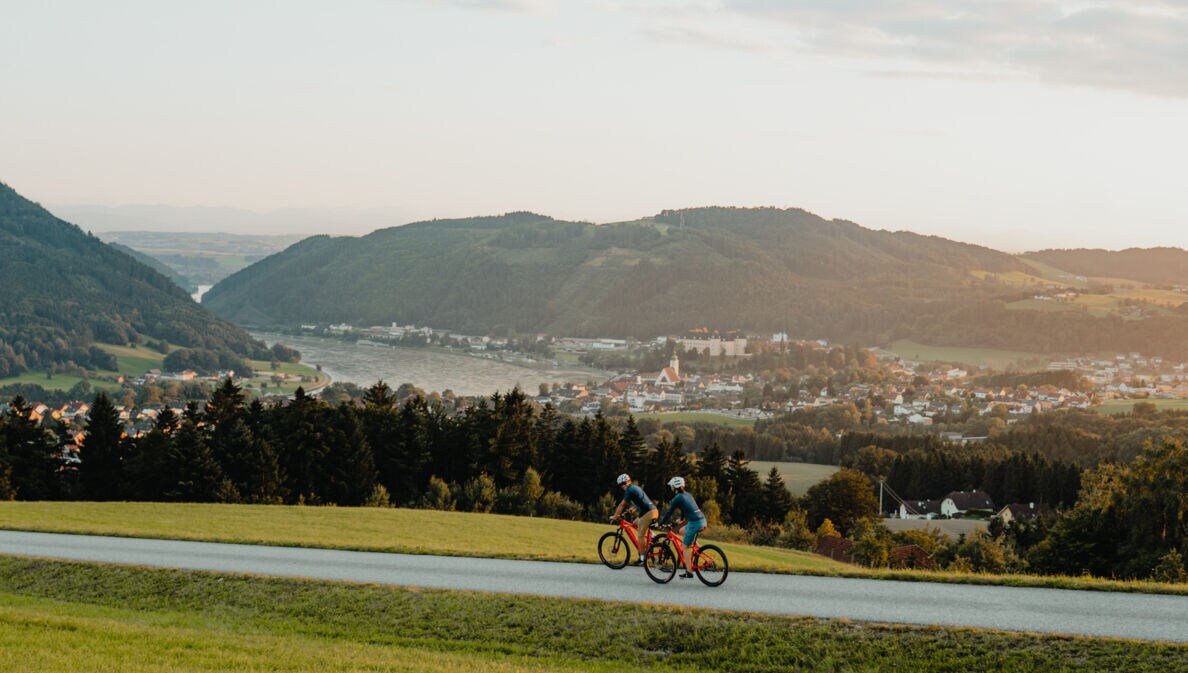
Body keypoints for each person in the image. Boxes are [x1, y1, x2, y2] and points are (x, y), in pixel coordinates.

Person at [657, 476, 706, 579]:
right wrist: (681, 519)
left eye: (671, 486)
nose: (671, 487)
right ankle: (700, 550)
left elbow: (669, 513)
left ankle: (689, 572)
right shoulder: (688, 495)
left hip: (695, 523)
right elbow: (685, 508)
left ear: (675, 486)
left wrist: (660, 523)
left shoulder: (677, 498)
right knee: (681, 530)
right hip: (702, 520)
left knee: (684, 547)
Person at [609, 473, 658, 565]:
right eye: (621, 485)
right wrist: (632, 509)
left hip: (648, 513)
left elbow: (621, 504)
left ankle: (643, 558)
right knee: (634, 524)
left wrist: (615, 516)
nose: (623, 486)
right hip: (651, 511)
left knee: (640, 536)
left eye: (624, 483)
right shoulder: (635, 488)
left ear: (628, 481)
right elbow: (641, 501)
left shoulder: (629, 490)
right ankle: (653, 536)